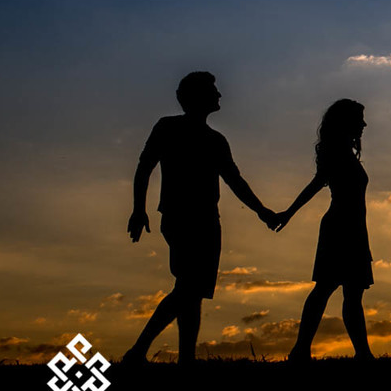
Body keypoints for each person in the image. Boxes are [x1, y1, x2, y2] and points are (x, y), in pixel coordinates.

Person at [124, 71, 277, 366]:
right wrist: (138, 208)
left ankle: (185, 359)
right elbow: (145, 166)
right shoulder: (168, 127)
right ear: (197, 97)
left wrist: (262, 212)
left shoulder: (216, 140)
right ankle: (139, 350)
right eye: (213, 91)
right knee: (188, 288)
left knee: (192, 293)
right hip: (181, 217)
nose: (219, 96)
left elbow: (235, 181)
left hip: (208, 220)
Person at [274, 99, 375, 362]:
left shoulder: (343, 152)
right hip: (340, 227)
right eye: (359, 119)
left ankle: (361, 353)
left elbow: (317, 182)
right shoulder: (338, 153)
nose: (364, 124)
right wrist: (289, 213)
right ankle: (302, 349)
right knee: (327, 288)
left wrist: (289, 213)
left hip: (353, 227)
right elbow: (317, 183)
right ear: (346, 122)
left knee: (351, 293)